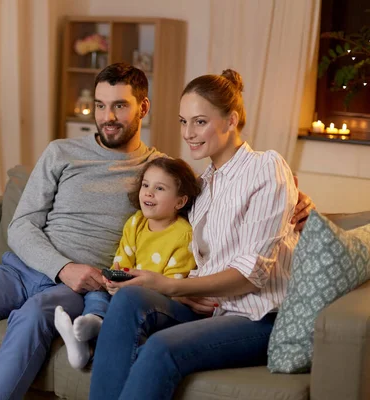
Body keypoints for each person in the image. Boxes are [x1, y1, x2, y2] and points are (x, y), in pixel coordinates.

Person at [0, 64, 314, 400]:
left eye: (119, 105)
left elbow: (236, 199)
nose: (107, 116)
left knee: (40, 317)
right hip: (25, 267)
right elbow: (21, 225)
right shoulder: (62, 153)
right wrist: (62, 265)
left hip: (90, 285)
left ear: (143, 108)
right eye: (100, 106)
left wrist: (298, 199)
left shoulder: (162, 170)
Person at [89, 69, 303, 400]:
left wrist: (173, 286)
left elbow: (252, 274)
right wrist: (182, 290)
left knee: (159, 347)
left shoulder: (266, 167)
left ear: (231, 121)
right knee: (131, 298)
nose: (188, 133)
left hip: (256, 318)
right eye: (182, 121)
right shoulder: (201, 185)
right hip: (206, 308)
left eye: (199, 122)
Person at [54, 156, 200, 369]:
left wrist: (129, 288)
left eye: (160, 188)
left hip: (158, 303)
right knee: (97, 291)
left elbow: (172, 286)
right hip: (127, 292)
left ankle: (94, 335)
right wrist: (114, 280)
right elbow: (122, 262)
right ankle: (91, 328)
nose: (149, 193)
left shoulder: (183, 235)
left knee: (128, 304)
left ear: (180, 201)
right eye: (146, 185)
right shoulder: (136, 222)